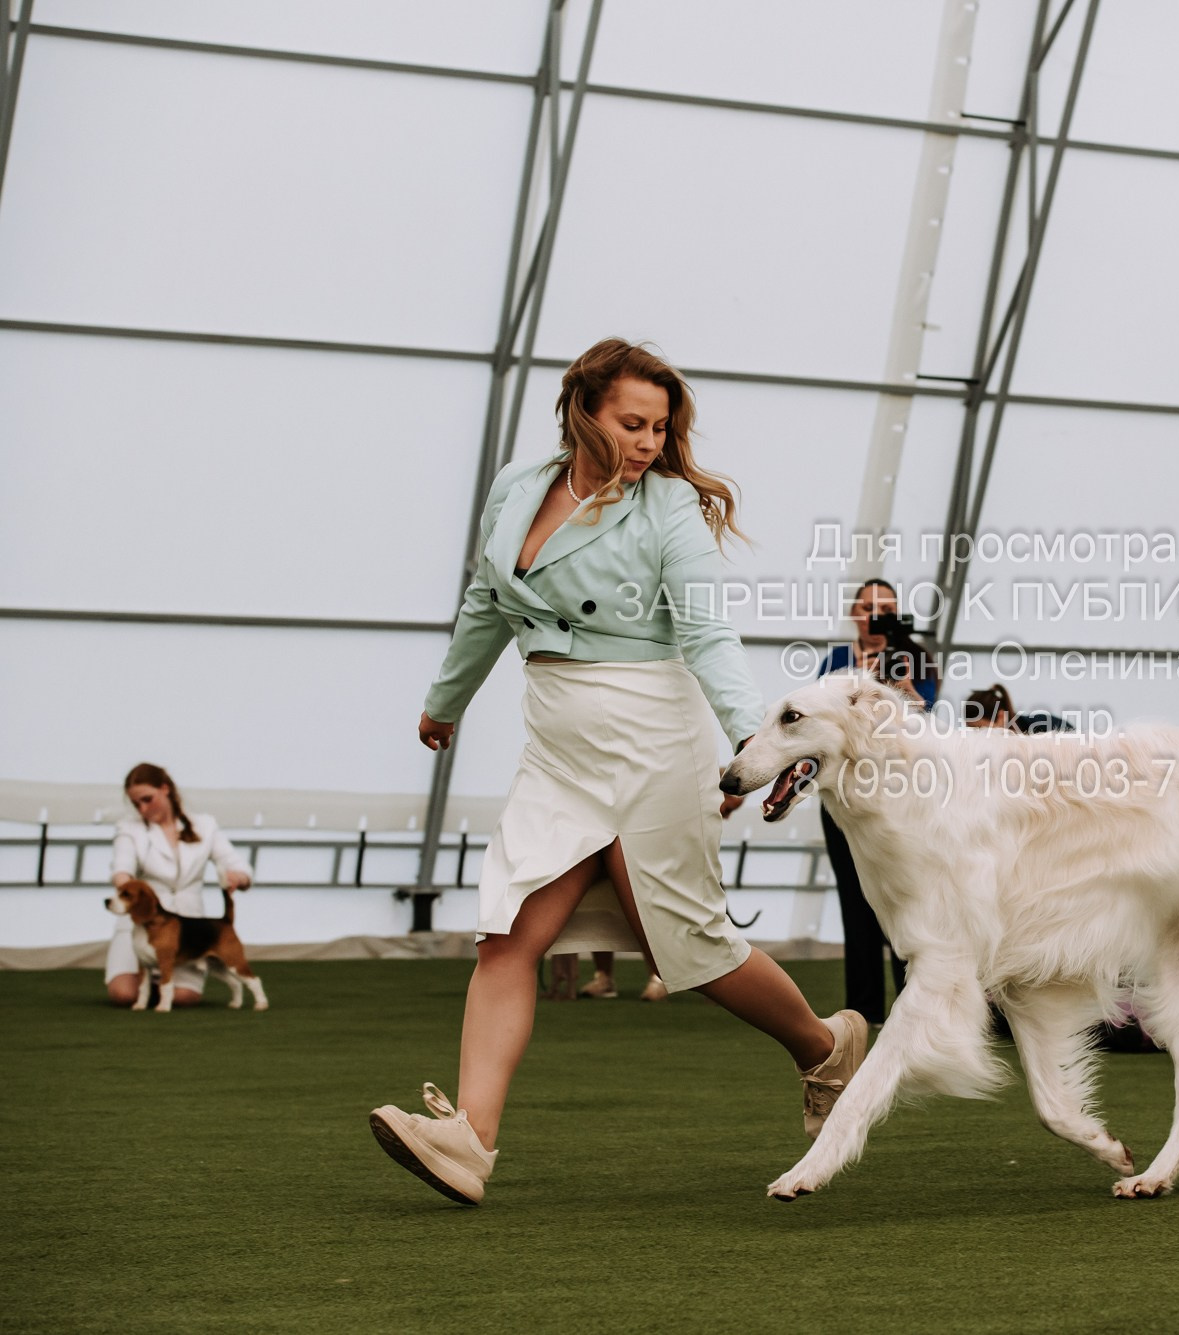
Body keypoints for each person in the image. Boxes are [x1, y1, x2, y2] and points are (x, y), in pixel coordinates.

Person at [368, 338, 868, 1206]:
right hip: (558, 748)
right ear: (582, 410)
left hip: (653, 741)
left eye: (659, 426)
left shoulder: (669, 507)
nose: (646, 440)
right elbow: (489, 601)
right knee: (507, 934)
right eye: (631, 422)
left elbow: (708, 635)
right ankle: (469, 1142)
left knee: (691, 951)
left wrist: (756, 748)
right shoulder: (518, 488)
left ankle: (824, 1047)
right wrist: (445, 700)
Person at [815, 579, 936, 1024]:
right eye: (868, 606)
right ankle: (862, 1009)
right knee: (854, 898)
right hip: (845, 799)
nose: (875, 614)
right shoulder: (837, 663)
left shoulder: (915, 658)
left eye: (885, 606)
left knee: (902, 897)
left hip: (896, 803)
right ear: (854, 613)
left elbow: (925, 722)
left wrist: (903, 689)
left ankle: (912, 1002)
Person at [105, 763, 254, 1008]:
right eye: (136, 804)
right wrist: (123, 882)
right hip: (143, 923)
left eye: (147, 799)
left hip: (187, 930)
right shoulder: (128, 828)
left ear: (165, 789)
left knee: (184, 999)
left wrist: (239, 877)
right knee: (123, 995)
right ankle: (153, 980)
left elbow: (238, 865)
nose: (142, 809)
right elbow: (121, 866)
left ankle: (160, 982)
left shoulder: (205, 825)